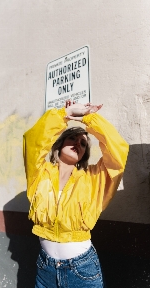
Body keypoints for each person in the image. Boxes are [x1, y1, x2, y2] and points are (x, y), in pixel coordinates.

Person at [23, 101, 129, 288]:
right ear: (60, 144)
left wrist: (89, 118)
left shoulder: (94, 178)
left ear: (84, 154)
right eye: (73, 138)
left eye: (83, 143)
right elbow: (32, 141)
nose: (78, 144)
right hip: (45, 268)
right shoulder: (40, 173)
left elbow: (118, 152)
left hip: (82, 271)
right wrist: (66, 114)